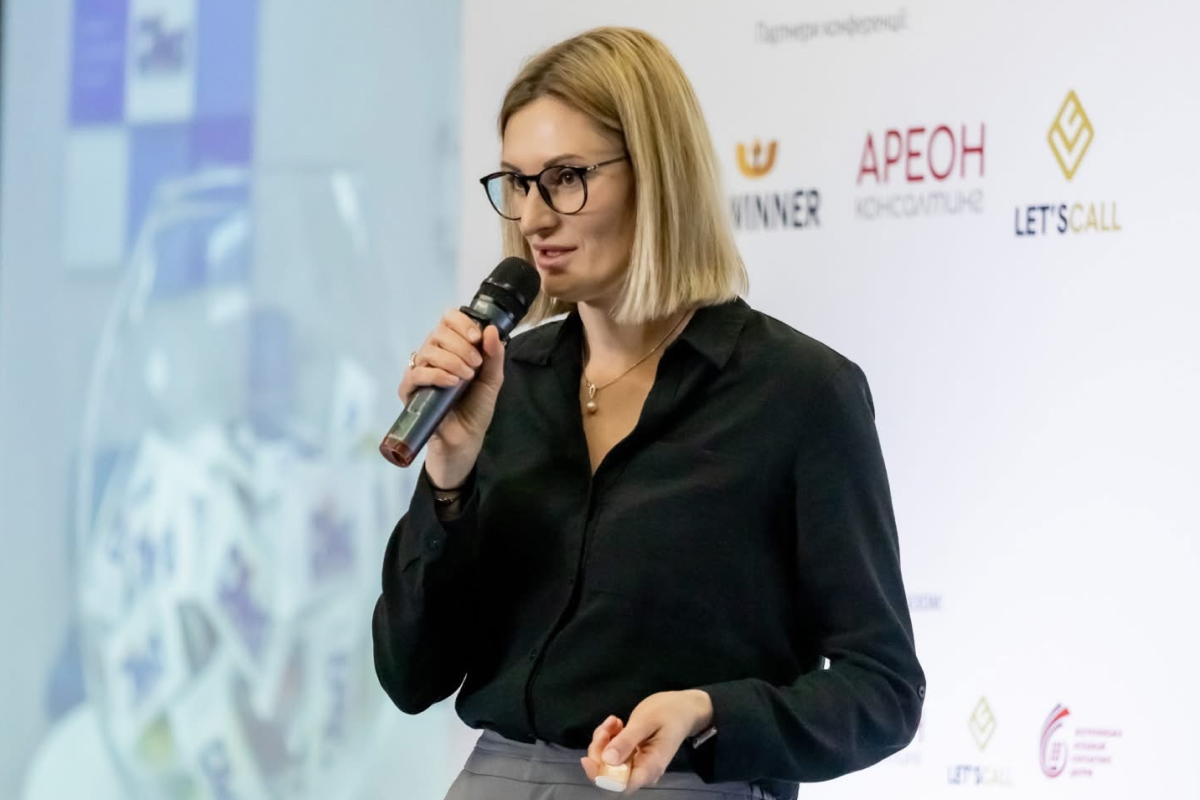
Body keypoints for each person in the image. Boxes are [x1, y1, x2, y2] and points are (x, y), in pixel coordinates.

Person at [372, 26, 924, 800]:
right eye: (519, 183)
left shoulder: (798, 392)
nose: (534, 218)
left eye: (566, 177)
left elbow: (883, 690)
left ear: (658, 174)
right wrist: (449, 479)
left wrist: (711, 712)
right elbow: (409, 676)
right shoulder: (504, 383)